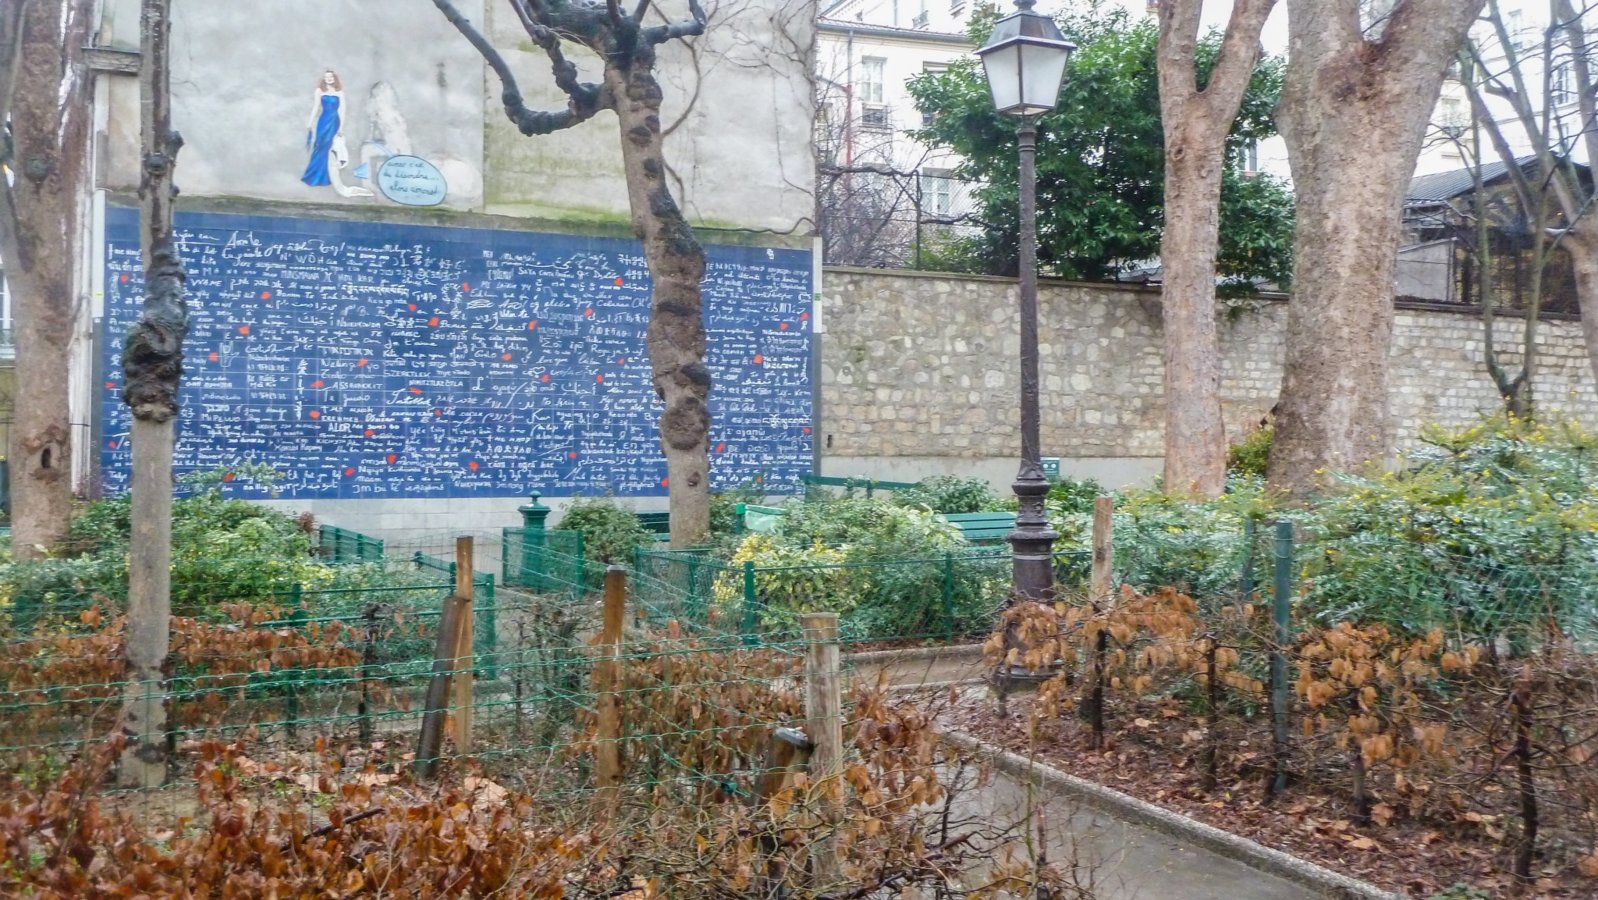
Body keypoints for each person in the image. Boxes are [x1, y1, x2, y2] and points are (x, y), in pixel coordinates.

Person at [301, 69, 372, 198]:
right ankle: (314, 175)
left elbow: (342, 111)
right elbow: (316, 107)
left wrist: (341, 127)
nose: (328, 79)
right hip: (323, 120)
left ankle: (325, 176)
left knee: (330, 148)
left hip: (334, 121)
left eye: (331, 77)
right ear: (324, 79)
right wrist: (310, 122)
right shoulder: (319, 91)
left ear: (334, 78)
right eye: (326, 77)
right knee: (320, 146)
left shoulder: (339, 93)